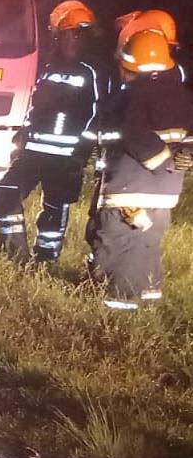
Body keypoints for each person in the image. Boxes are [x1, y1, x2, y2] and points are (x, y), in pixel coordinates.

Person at [87, 29, 193, 309]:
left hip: (128, 191)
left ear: (130, 67)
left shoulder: (129, 97)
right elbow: (188, 141)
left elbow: (134, 135)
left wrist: (161, 163)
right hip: (166, 194)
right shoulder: (183, 96)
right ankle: (149, 302)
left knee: (116, 247)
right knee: (147, 245)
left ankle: (120, 312)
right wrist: (182, 159)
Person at [0, 0, 105, 263]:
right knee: (5, 191)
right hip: (33, 153)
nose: (62, 41)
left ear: (79, 35)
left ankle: (46, 259)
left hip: (67, 158)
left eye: (65, 34)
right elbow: (38, 107)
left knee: (55, 208)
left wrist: (80, 156)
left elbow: (97, 117)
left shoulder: (93, 71)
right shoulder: (48, 67)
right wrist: (25, 133)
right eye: (59, 36)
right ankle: (15, 255)